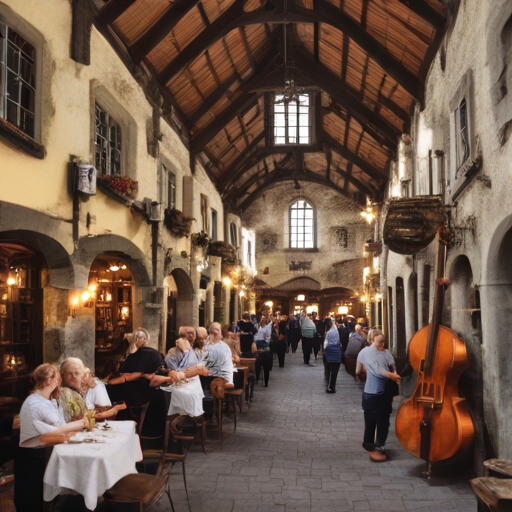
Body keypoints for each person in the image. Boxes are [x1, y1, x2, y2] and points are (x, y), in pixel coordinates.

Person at [15, 364, 87, 512]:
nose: (57, 381)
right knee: (35, 499)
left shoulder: (50, 400)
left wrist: (72, 426)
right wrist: (77, 426)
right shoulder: (34, 402)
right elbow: (49, 434)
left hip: (45, 453)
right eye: (55, 377)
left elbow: (58, 426)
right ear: (49, 380)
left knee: (50, 496)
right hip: (33, 457)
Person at [356, 332, 401, 462]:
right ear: (372, 340)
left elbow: (358, 371)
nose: (382, 344)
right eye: (379, 342)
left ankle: (377, 446)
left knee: (380, 421)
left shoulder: (380, 353)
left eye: (383, 341)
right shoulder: (372, 353)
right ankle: (374, 447)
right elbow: (385, 371)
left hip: (376, 393)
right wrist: (390, 375)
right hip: (376, 393)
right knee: (377, 422)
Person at [59, 357, 89, 422]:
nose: (73, 376)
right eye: (70, 373)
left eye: (76, 373)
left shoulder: (76, 393)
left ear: (82, 375)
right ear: (63, 376)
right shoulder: (64, 393)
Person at [253, 316, 273, 386]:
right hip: (258, 349)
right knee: (257, 366)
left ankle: (266, 382)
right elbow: (255, 335)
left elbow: (268, 337)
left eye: (264, 318)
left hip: (265, 349)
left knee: (266, 368)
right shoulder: (256, 326)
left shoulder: (267, 327)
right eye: (262, 318)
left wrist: (265, 339)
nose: (263, 320)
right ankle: (257, 378)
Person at [323, 319, 342, 393]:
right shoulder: (337, 332)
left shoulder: (328, 333)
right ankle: (332, 386)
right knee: (335, 372)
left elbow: (326, 343)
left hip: (329, 352)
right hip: (337, 353)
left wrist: (325, 351)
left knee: (328, 370)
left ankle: (329, 385)